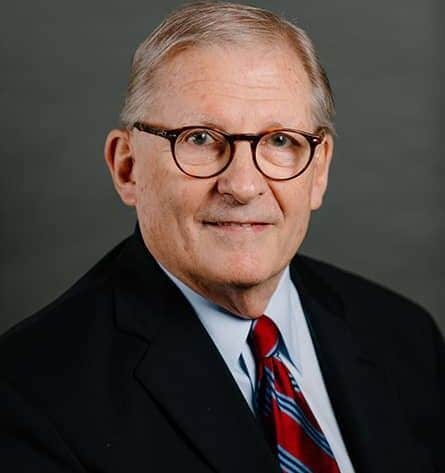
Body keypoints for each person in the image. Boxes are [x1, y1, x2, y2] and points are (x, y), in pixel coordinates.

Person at [1, 2, 443, 472]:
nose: (243, 186)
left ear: (319, 172)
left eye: (280, 141)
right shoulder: (27, 397)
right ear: (127, 168)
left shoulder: (406, 337)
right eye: (199, 139)